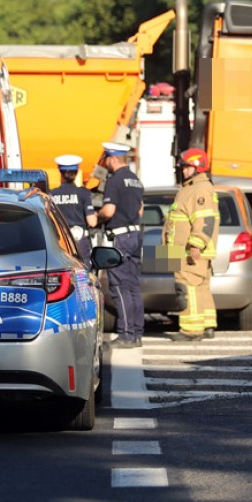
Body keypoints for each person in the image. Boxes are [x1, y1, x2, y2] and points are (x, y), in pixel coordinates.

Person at [163, 148, 220, 341]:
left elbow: (205, 220)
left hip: (188, 251)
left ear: (199, 167)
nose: (184, 170)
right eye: (184, 167)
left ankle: (191, 331)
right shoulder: (190, 188)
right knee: (201, 286)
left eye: (188, 167)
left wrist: (196, 244)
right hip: (181, 250)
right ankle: (207, 325)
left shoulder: (199, 188)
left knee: (188, 287)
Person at [97, 141, 145, 348]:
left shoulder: (115, 180)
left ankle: (125, 335)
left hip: (120, 238)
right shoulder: (135, 180)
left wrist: (97, 218)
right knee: (133, 286)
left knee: (119, 286)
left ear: (113, 158)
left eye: (107, 158)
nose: (106, 162)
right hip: (135, 235)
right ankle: (136, 334)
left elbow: (108, 211)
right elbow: (140, 210)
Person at [49, 154, 98, 261]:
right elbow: (92, 222)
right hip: (80, 241)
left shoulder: (51, 194)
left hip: (59, 241)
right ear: (76, 172)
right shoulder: (83, 193)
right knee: (83, 270)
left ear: (60, 172)